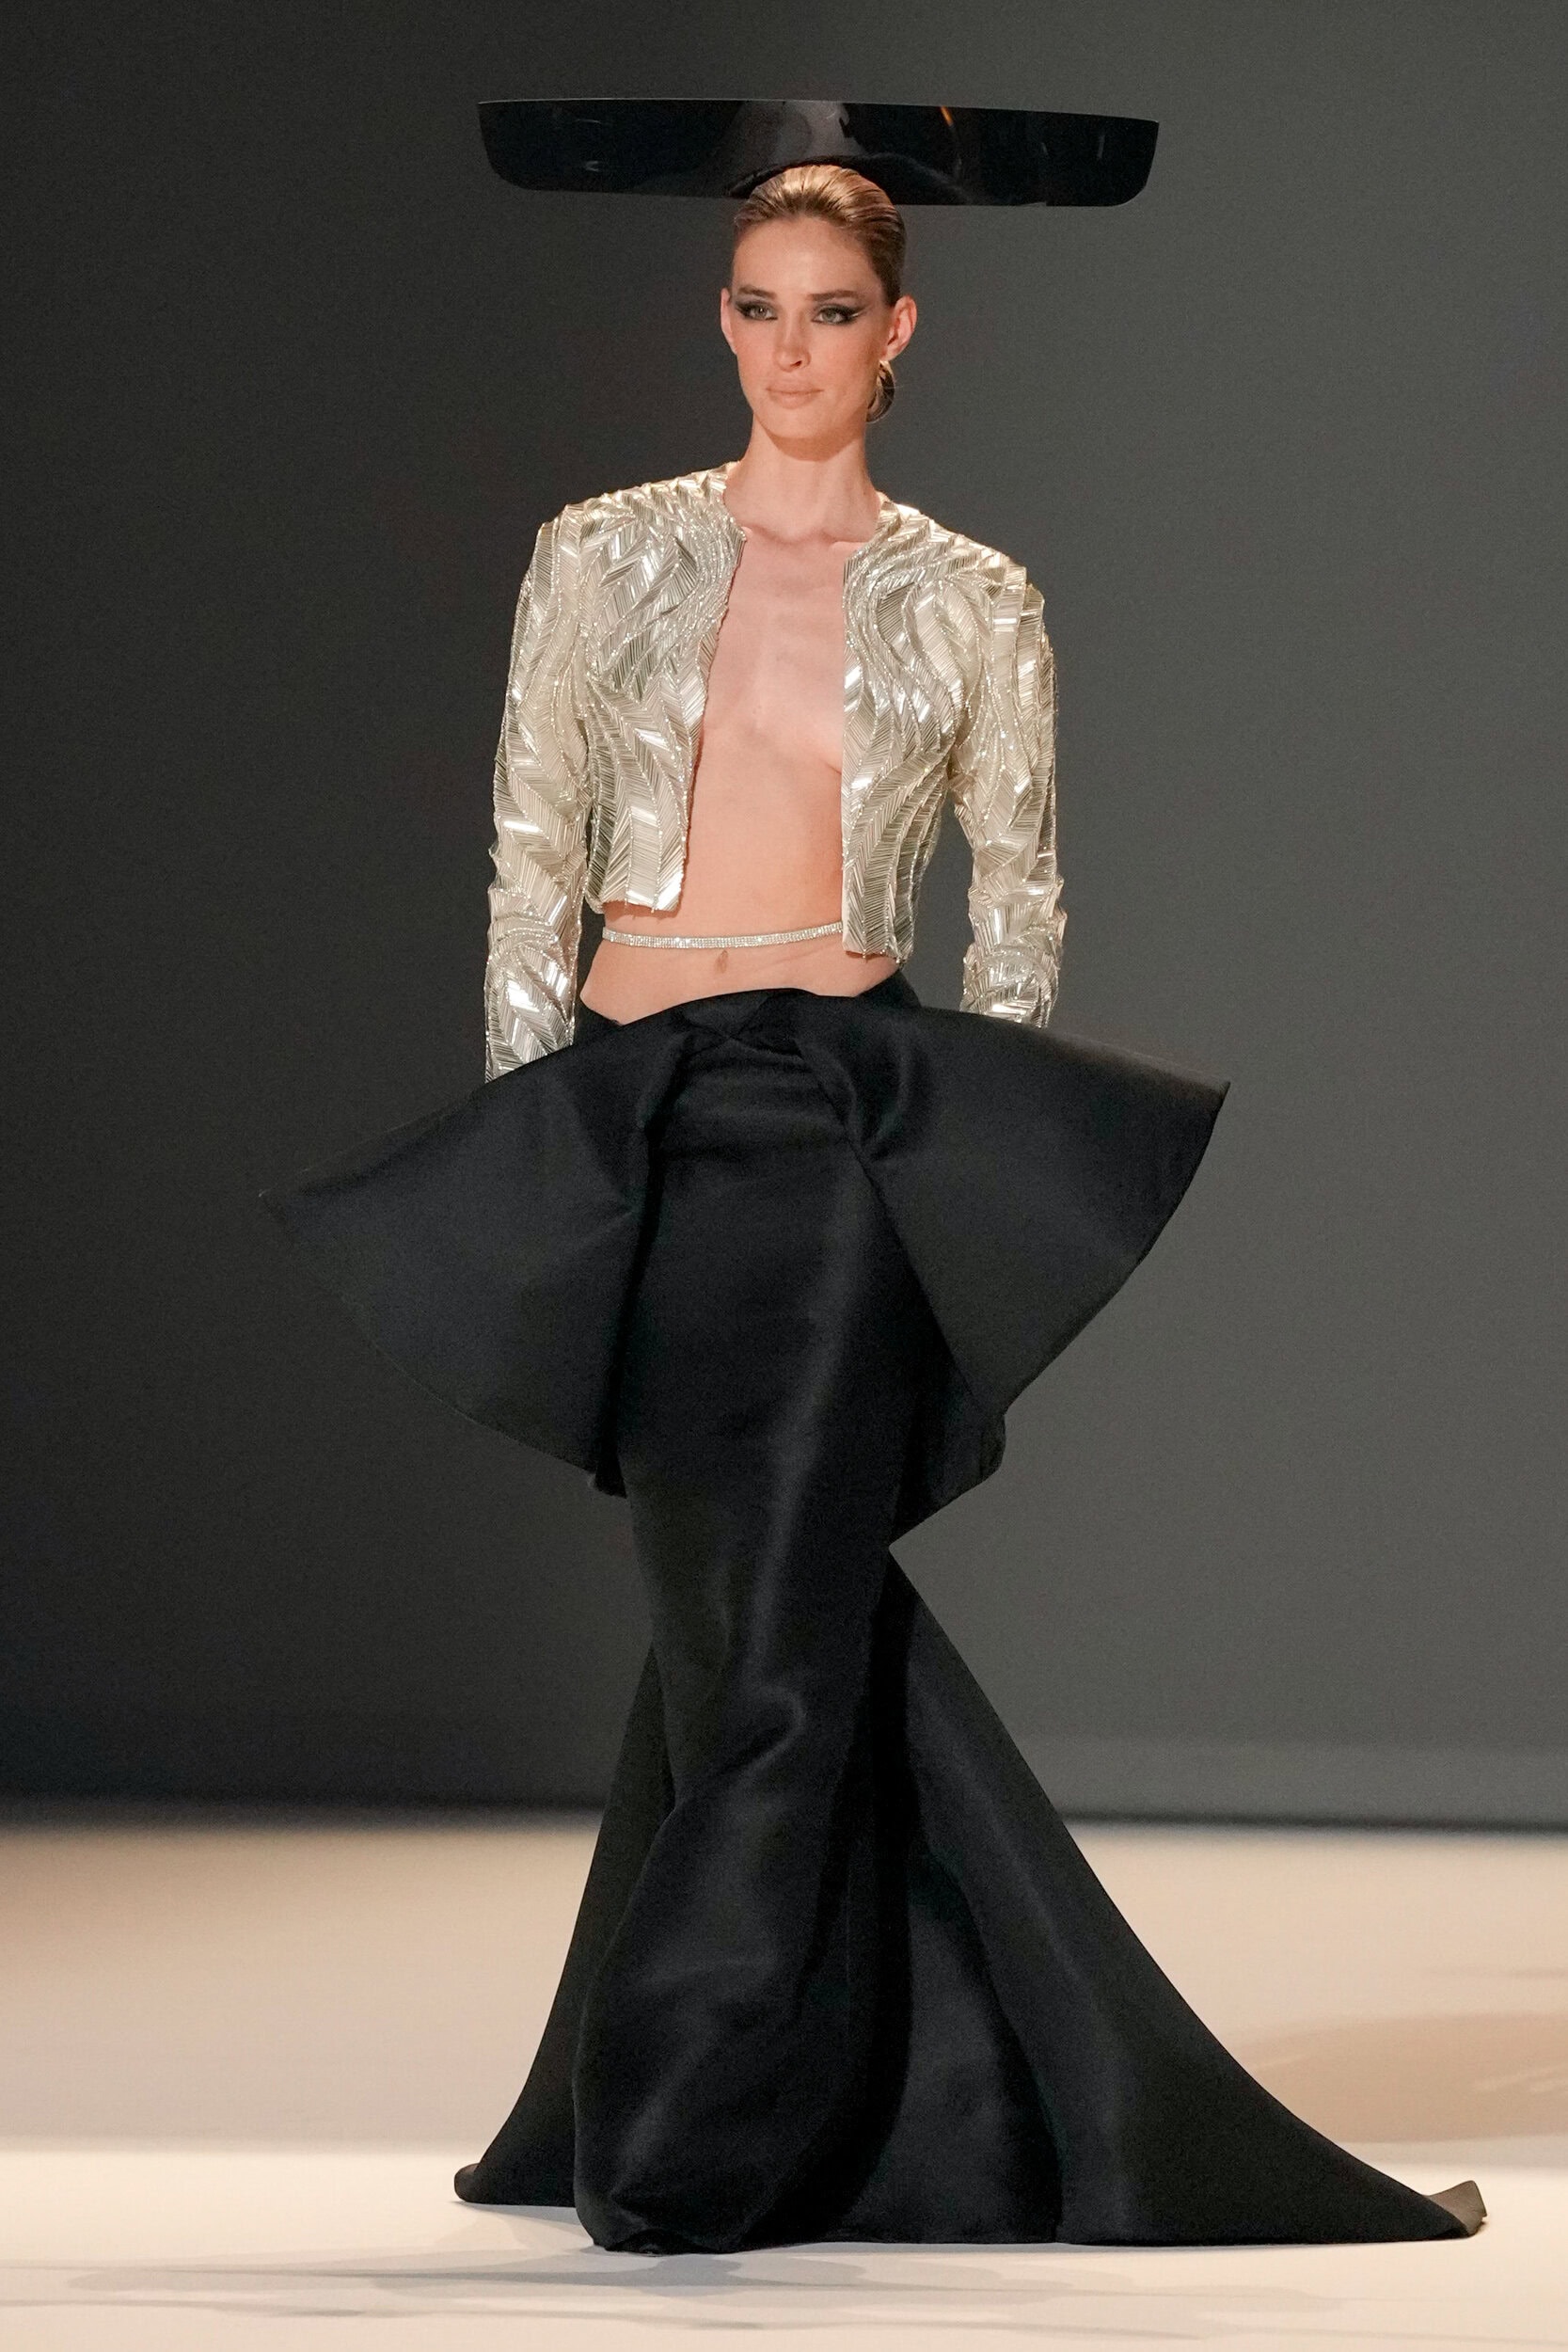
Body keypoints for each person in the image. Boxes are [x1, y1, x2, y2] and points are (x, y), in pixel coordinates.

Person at [265, 145, 1482, 2255]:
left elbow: (1023, 898)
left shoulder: (972, 597)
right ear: (723, 321)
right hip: (637, 1115)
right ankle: (951, 2085)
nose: (789, 347)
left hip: (838, 1133)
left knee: (768, 1655)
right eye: (756, 307)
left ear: (897, 330)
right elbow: (529, 853)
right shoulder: (599, 553)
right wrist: (538, 1146)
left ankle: (680, 2122)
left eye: (829, 311)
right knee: (744, 1612)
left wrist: (965, 1172)